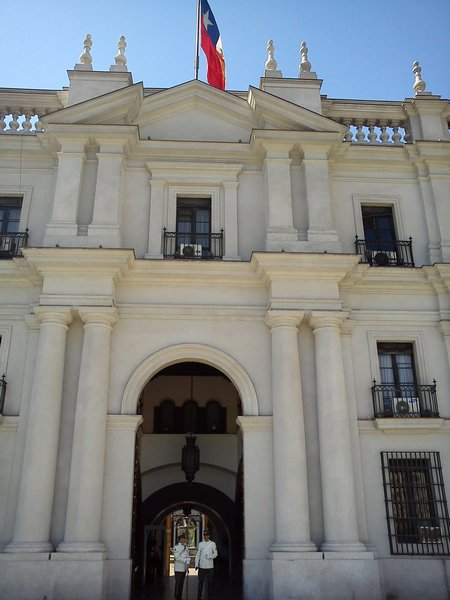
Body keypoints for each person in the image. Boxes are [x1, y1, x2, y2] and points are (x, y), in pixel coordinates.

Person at [195, 530, 218, 600]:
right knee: (201, 582)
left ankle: (210, 596)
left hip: (210, 566)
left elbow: (216, 554)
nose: (205, 537)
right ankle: (199, 596)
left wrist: (210, 556)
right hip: (202, 566)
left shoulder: (213, 544)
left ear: (209, 536)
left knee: (210, 582)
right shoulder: (200, 544)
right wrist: (196, 564)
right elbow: (198, 555)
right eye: (204, 535)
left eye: (207, 535)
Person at [172, 533, 191, 600]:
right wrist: (185, 560)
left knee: (182, 583)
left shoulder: (186, 547)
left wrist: (188, 559)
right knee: (178, 582)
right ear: (179, 539)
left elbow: (188, 556)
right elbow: (177, 557)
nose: (184, 540)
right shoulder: (176, 547)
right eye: (183, 538)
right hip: (178, 568)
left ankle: (179, 596)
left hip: (184, 568)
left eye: (184, 538)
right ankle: (176, 596)